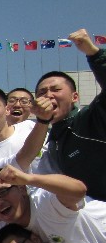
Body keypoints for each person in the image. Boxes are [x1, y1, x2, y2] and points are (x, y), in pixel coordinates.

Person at [36, 29, 106, 201]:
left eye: (56, 89)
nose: (48, 95)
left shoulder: (92, 118)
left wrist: (94, 53)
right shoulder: (53, 141)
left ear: (75, 97)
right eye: (42, 92)